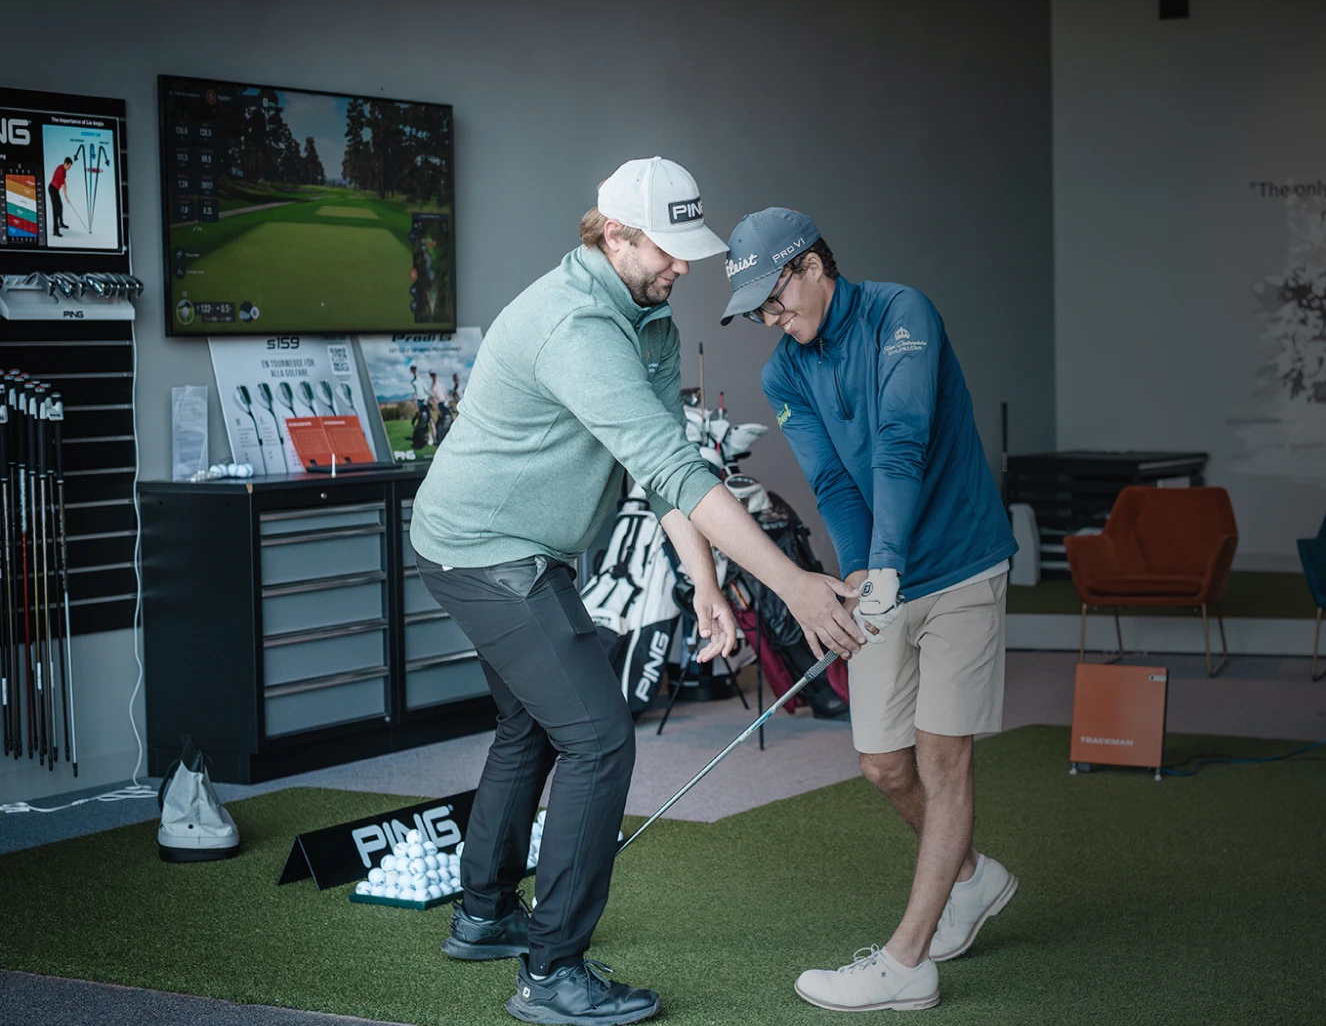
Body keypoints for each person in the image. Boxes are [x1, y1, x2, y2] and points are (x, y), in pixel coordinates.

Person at [409, 161, 867, 1026]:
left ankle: (483, 914)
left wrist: (704, 588)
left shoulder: (645, 314)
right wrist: (795, 585)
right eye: (668, 247)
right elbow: (674, 471)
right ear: (613, 235)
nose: (684, 267)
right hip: (483, 551)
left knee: (532, 724)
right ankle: (551, 973)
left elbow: (667, 470)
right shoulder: (576, 327)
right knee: (598, 736)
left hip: (516, 548)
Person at [721, 208, 1019, 1013]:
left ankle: (907, 961)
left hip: (958, 565)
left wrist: (886, 566)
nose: (769, 319)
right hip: (885, 575)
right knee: (883, 765)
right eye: (755, 311)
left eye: (773, 298)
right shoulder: (786, 373)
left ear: (814, 264)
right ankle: (971, 876)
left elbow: (899, 441)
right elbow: (835, 484)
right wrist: (858, 572)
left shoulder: (902, 313)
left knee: (940, 757)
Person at [409, 364, 433, 450]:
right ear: (411, 371)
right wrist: (416, 405)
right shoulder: (413, 382)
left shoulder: (421, 380)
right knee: (421, 421)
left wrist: (430, 398)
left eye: (415, 369)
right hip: (419, 403)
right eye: (412, 370)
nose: (414, 371)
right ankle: (423, 437)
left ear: (416, 370)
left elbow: (426, 390)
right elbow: (414, 394)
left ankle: (430, 437)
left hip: (425, 402)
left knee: (428, 420)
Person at [49, 157, 72, 237]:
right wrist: (66, 197)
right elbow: (63, 185)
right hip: (52, 189)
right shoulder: (61, 170)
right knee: (56, 209)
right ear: (65, 163)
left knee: (60, 207)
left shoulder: (63, 169)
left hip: (55, 190)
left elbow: (64, 182)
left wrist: (66, 196)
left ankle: (61, 223)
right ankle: (55, 231)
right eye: (69, 166)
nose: (69, 168)